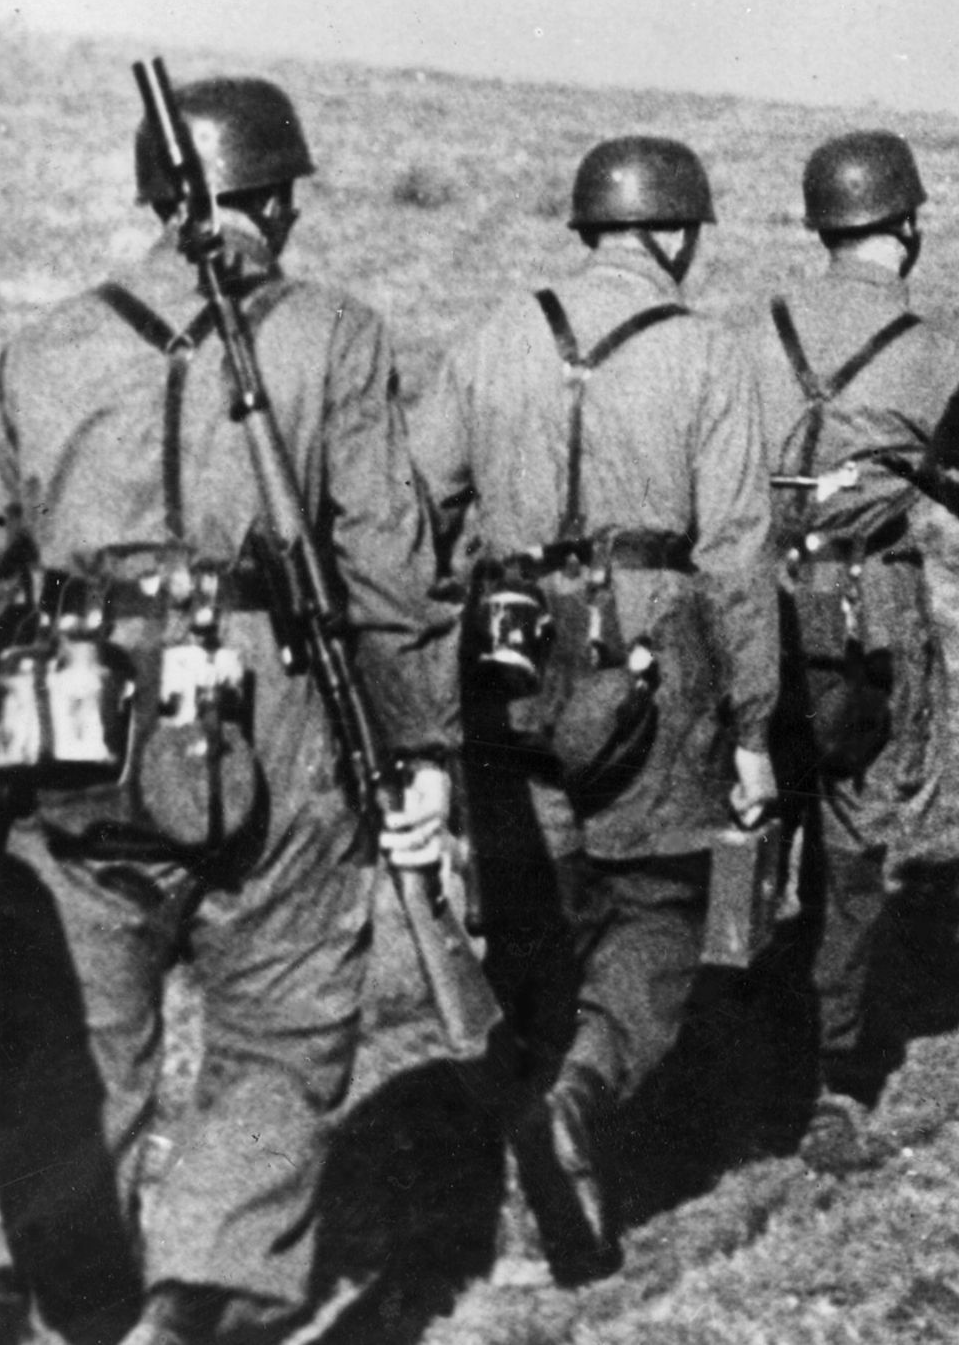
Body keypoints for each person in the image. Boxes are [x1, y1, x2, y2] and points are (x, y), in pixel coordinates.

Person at [0, 78, 456, 1345]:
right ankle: (200, 1299)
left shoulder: (40, 348)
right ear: (273, 199)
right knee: (282, 1022)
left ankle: (78, 1306)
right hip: (278, 724)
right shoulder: (335, 336)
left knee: (71, 1048)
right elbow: (388, 566)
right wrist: (422, 749)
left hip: (71, 724)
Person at [415, 134, 778, 1285]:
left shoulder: (491, 334)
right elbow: (735, 555)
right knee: (662, 901)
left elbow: (413, 505)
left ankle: (532, 1158)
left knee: (528, 901)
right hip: (651, 655)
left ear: (590, 223)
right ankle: (583, 1089)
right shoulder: (707, 354)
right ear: (674, 229)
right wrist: (756, 724)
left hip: (506, 652)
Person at [749, 130, 959, 1139]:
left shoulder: (751, 331)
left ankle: (737, 1046)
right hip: (863, 612)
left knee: (754, 818)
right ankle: (833, 1072)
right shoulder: (932, 350)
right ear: (907, 224)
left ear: (821, 225)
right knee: (854, 838)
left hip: (748, 602)